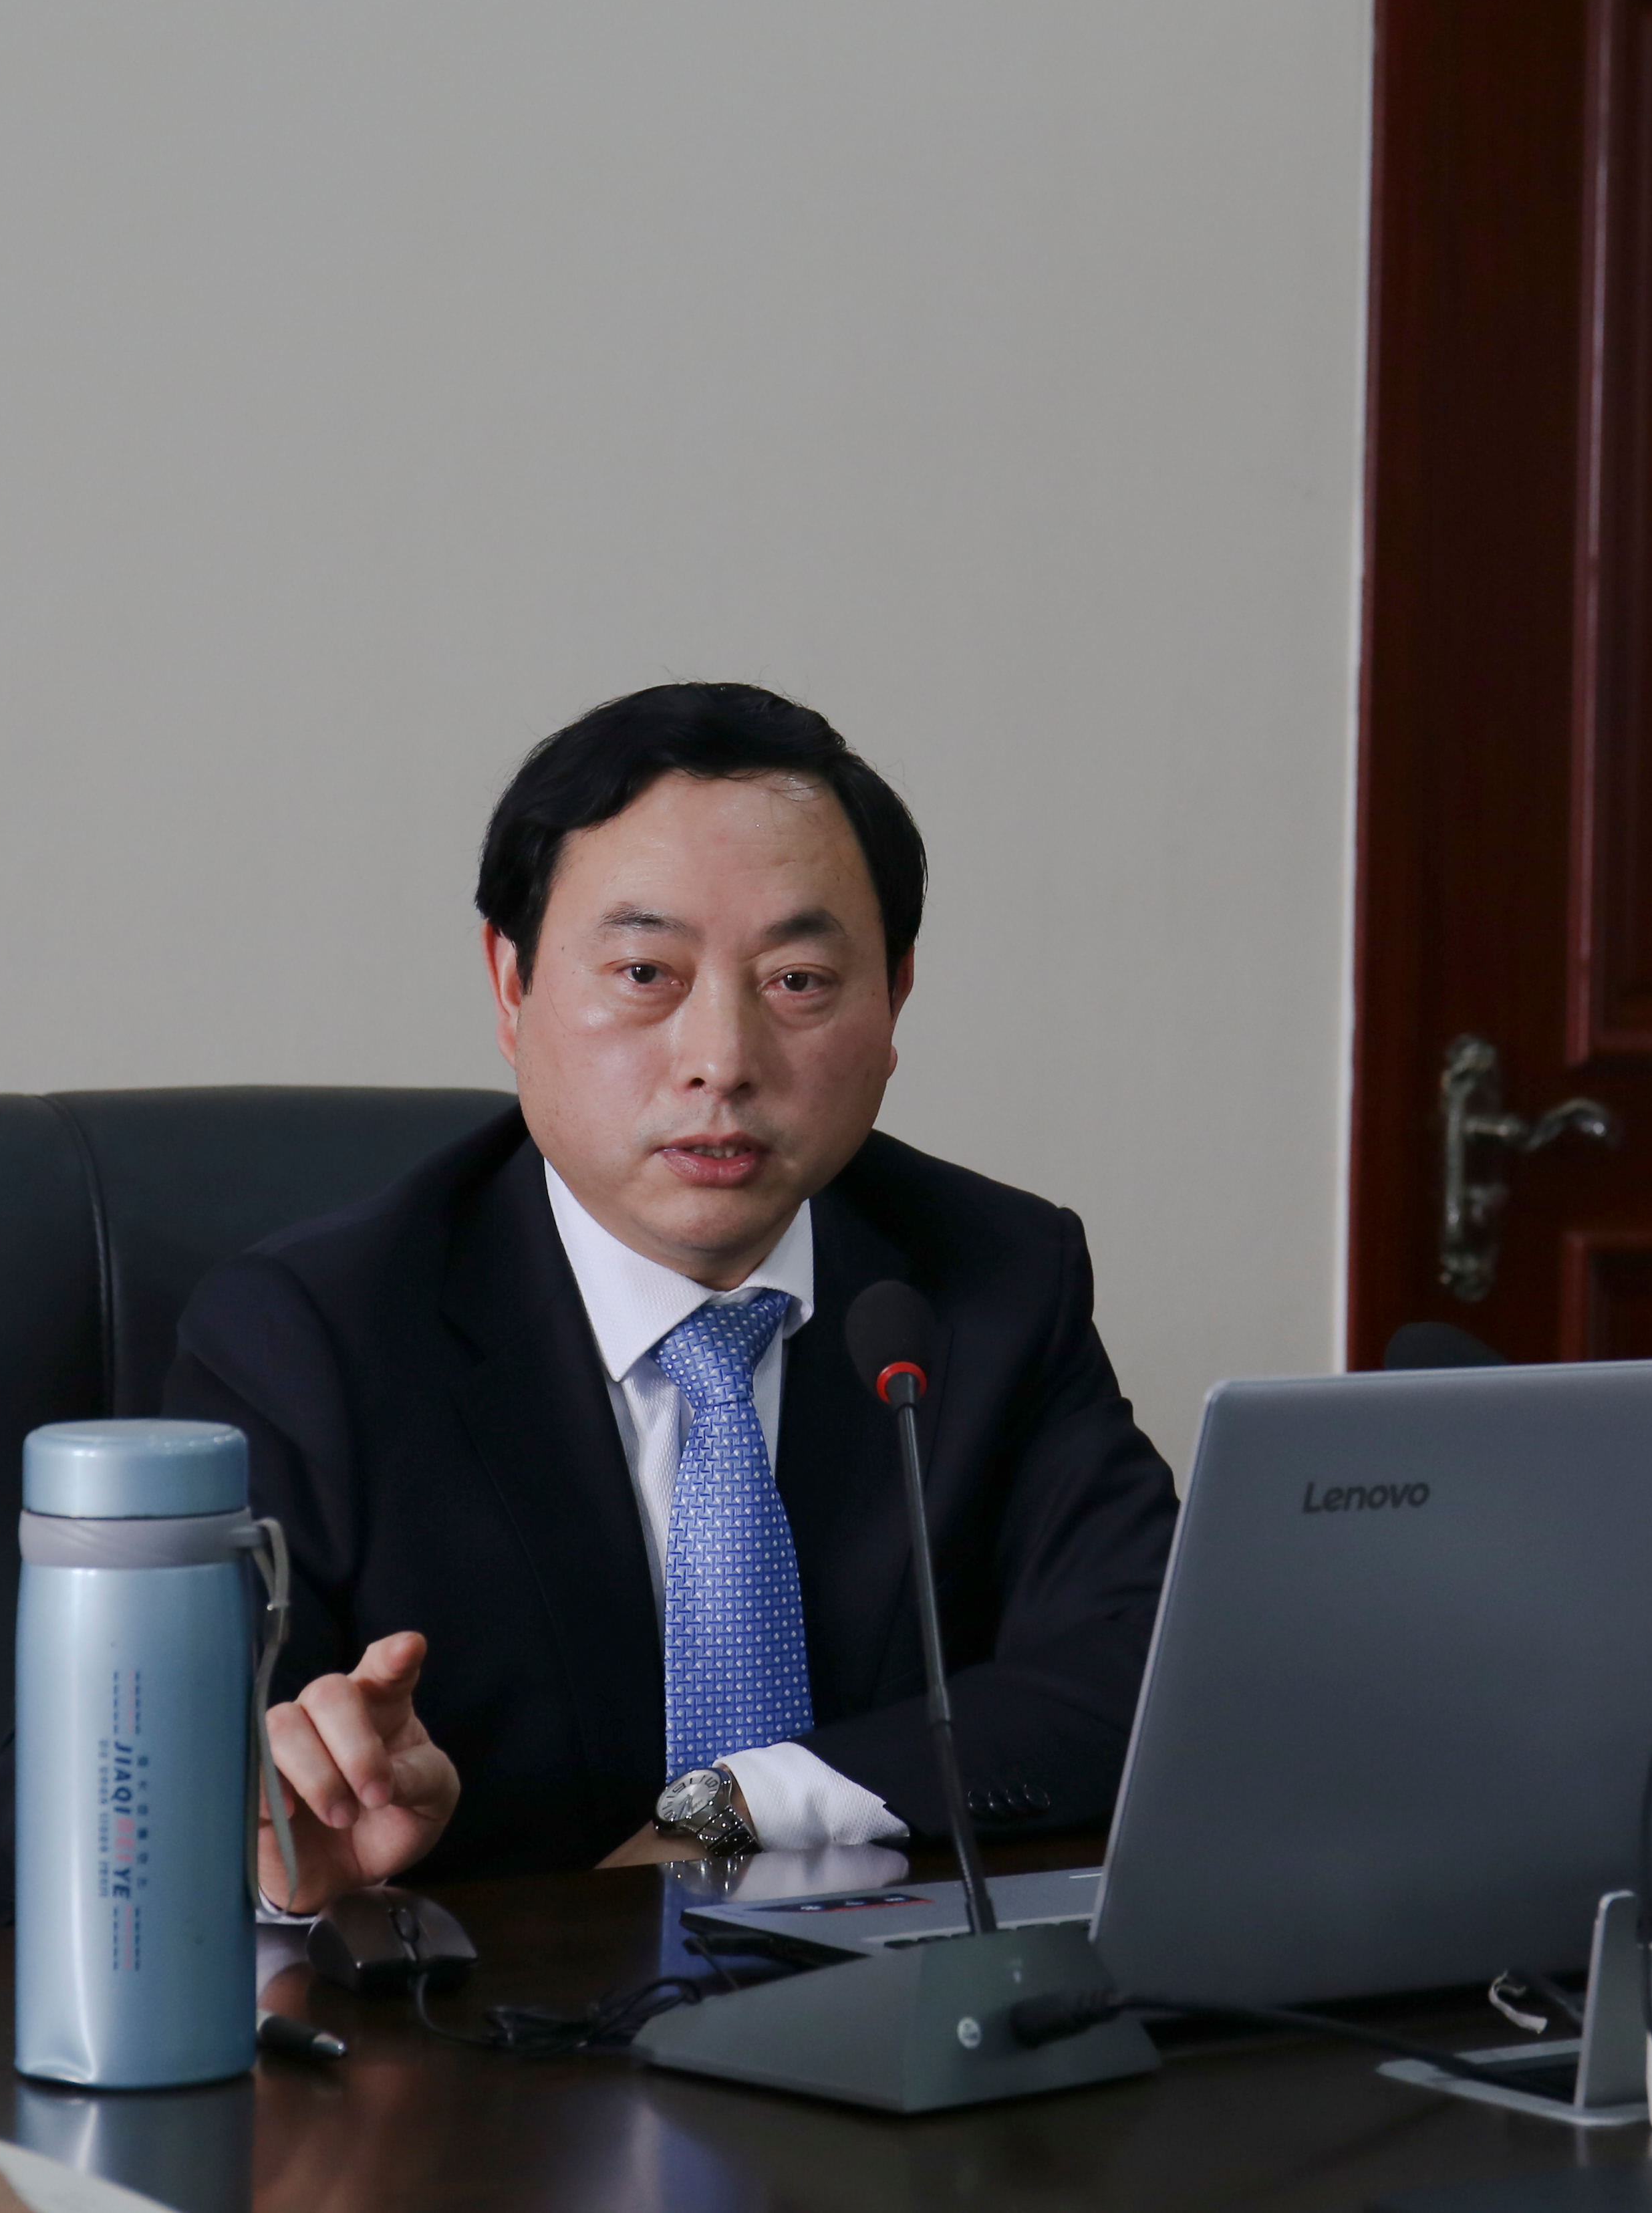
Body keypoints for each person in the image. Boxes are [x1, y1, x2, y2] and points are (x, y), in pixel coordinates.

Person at [166, 683, 1178, 1912]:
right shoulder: (312, 1337)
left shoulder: (992, 1276)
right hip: (502, 2025)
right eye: (645, 972)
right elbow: (71, 1801)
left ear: (895, 1001)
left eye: (798, 981)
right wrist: (272, 1851)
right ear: (511, 985)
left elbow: (1157, 1665)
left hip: (889, 2013)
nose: (722, 1061)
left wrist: (740, 1808)